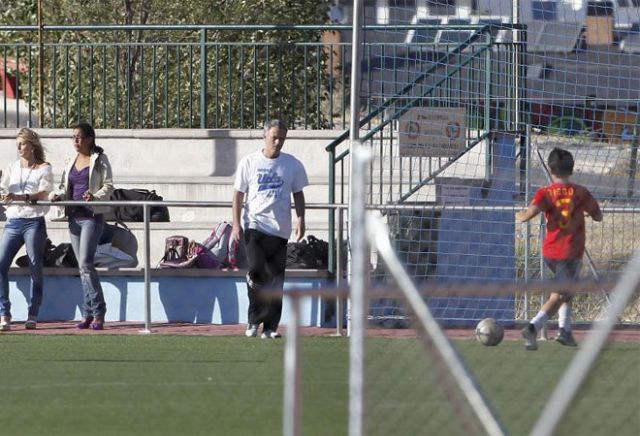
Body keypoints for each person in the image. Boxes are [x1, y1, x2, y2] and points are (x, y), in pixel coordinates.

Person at [516, 147, 602, 350]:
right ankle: (533, 327)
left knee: (567, 290)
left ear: (550, 169)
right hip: (570, 252)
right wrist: (585, 213)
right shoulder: (581, 192)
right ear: (572, 169)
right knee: (559, 295)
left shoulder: (544, 193)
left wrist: (519, 215)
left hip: (550, 252)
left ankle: (565, 330)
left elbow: (529, 214)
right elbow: (598, 216)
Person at [232, 119, 309, 339]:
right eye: (274, 137)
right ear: (264, 136)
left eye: (282, 138)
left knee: (275, 279)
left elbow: (298, 194)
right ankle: (253, 320)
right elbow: (238, 195)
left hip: (279, 229)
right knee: (257, 270)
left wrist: (301, 219)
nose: (278, 142)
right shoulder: (249, 162)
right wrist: (236, 224)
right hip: (255, 225)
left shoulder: (292, 164)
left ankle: (270, 327)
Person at [50, 122, 114, 331]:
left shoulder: (99, 159)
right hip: (74, 217)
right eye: (73, 137)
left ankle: (98, 312)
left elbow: (108, 185)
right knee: (82, 267)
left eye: (79, 137)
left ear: (89, 139)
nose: (76, 141)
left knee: (86, 264)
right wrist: (58, 196)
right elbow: (64, 186)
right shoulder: (71, 160)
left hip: (91, 217)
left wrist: (94, 196)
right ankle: (88, 313)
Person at [0, 128, 53, 331]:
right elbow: (4, 188)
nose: (19, 148)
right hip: (13, 220)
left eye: (22, 144)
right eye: (18, 145)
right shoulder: (12, 167)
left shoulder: (44, 167)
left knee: (35, 265)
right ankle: (4, 312)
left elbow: (44, 193)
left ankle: (33, 313)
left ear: (32, 146)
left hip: (33, 221)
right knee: (1, 264)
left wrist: (21, 197)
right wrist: (5, 195)